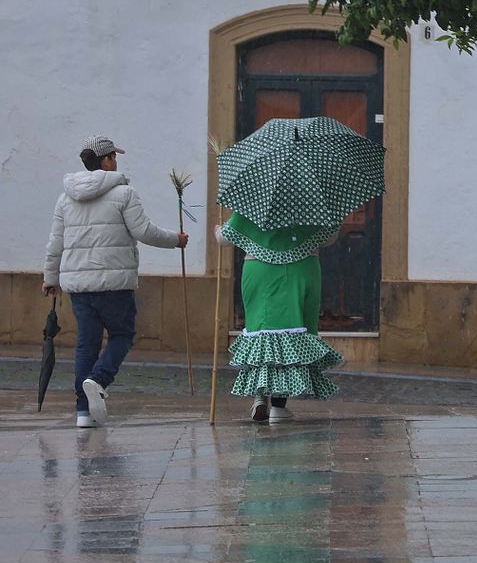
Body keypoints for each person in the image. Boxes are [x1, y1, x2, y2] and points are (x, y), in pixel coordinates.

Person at [43, 135, 188, 428]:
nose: (117, 161)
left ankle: (83, 413)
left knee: (87, 344)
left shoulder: (65, 197)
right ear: (106, 159)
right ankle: (98, 380)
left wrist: (50, 277)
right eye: (114, 156)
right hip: (115, 283)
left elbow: (55, 243)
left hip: (80, 286)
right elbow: (144, 231)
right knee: (122, 335)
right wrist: (176, 240)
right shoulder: (124, 193)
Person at [215, 211, 343, 423]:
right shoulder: (310, 203)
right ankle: (279, 406)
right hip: (302, 269)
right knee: (293, 333)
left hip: (259, 270)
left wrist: (217, 229)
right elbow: (330, 236)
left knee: (262, 332)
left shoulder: (254, 202)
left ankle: (259, 397)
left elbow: (224, 239)